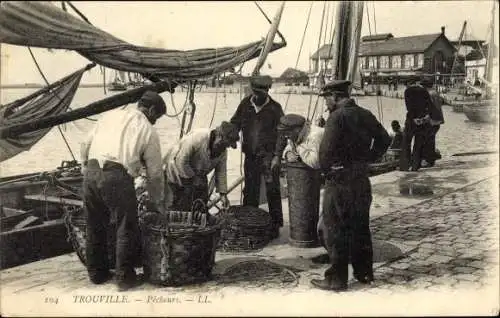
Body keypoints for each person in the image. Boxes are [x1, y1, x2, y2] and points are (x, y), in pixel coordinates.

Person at [80, 90, 166, 291]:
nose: (155, 122)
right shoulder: (147, 129)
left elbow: (85, 143)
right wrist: (156, 201)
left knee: (94, 224)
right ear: (151, 110)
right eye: (157, 117)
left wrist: (85, 166)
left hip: (91, 172)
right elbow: (154, 174)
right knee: (126, 225)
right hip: (116, 176)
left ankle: (96, 274)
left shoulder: (111, 115)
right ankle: (124, 278)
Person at [312, 80, 391, 292]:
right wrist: (368, 158)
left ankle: (336, 279)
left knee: (335, 229)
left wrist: (329, 171)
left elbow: (325, 153)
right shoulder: (365, 114)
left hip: (339, 181)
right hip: (361, 179)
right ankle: (364, 273)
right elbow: (384, 139)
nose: (326, 103)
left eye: (327, 98)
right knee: (360, 227)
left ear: (336, 96)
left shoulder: (336, 117)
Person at [230, 75, 284, 238]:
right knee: (250, 191)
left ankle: (275, 226)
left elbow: (282, 134)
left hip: (268, 157)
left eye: (261, 93)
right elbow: (234, 123)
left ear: (267, 91)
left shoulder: (275, 108)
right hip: (251, 156)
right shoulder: (245, 104)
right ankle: (249, 224)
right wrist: (231, 138)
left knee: (272, 190)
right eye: (255, 92)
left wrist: (277, 157)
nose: (257, 96)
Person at [162, 121, 239, 211]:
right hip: (176, 171)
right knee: (178, 206)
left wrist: (223, 195)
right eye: (224, 144)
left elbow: (221, 172)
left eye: (227, 146)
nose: (224, 148)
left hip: (199, 174)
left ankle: (198, 218)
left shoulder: (223, 151)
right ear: (219, 137)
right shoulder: (198, 138)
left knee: (200, 206)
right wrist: (194, 178)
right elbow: (181, 161)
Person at [399, 78, 432, 171]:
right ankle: (415, 166)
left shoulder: (408, 91)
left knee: (406, 142)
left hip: (411, 120)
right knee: (418, 144)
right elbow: (429, 106)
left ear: (408, 83)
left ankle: (405, 166)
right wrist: (424, 118)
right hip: (422, 121)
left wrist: (414, 118)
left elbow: (409, 106)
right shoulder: (424, 91)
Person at [421, 78, 444, 167]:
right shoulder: (435, 93)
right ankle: (431, 160)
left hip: (431, 120)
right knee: (431, 140)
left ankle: (428, 160)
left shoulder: (428, 94)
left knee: (428, 141)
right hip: (437, 120)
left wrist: (424, 119)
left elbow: (429, 109)